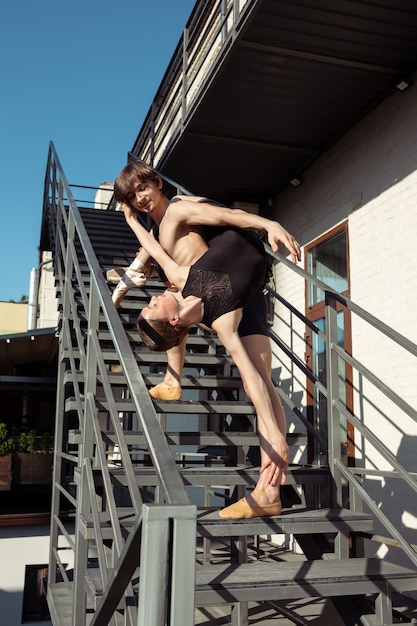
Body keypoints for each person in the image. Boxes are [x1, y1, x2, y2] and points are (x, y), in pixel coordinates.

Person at [112, 162, 301, 519]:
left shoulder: (179, 233)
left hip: (242, 279)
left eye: (141, 190)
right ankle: (268, 490)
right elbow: (151, 255)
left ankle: (174, 379)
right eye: (132, 198)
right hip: (241, 296)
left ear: (155, 182)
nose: (139, 200)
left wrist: (268, 223)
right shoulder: (216, 318)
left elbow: (226, 216)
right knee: (259, 384)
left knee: (262, 383)